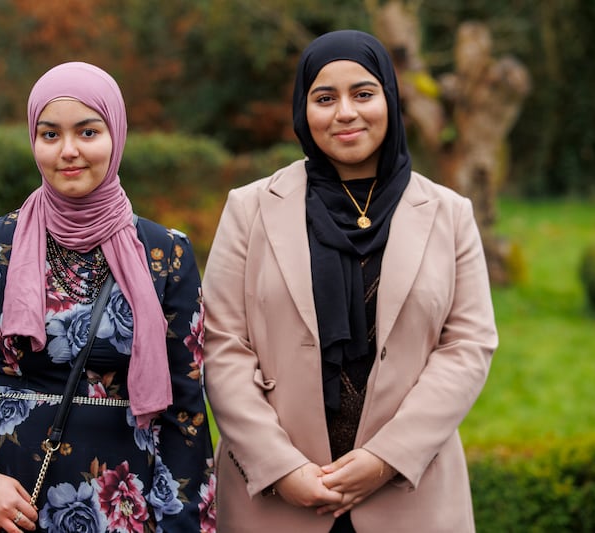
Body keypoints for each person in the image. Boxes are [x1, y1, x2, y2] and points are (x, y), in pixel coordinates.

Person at [0, 61, 217, 533]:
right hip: (7, 504)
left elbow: (185, 411)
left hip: (123, 506)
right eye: (50, 135)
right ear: (34, 140)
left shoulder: (165, 254)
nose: (69, 151)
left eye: (88, 132)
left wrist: (183, 523)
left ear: (117, 135)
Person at [201, 30, 497, 533]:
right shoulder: (249, 209)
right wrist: (280, 467)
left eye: (363, 93)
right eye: (324, 98)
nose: (345, 112)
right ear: (302, 107)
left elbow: (468, 345)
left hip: (411, 494)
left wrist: (387, 457)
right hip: (277, 503)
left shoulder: (449, 214)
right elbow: (221, 345)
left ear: (390, 98)